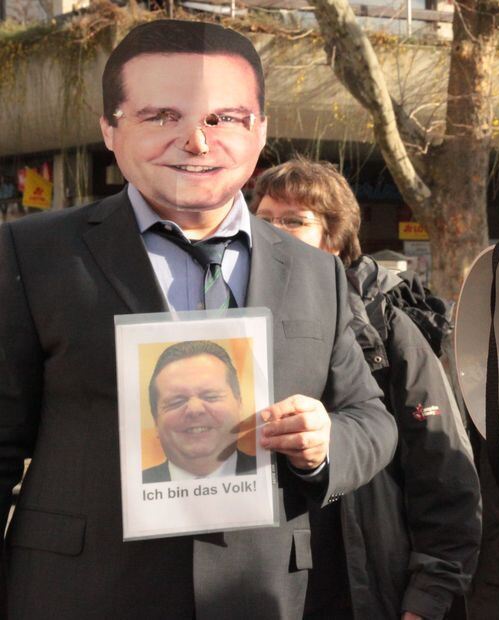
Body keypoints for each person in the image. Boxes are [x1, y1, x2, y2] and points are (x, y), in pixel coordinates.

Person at [0, 20, 396, 618]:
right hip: (80, 594)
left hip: (264, 596)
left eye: (225, 119)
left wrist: (324, 443)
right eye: (162, 116)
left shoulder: (315, 271)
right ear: (110, 128)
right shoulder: (32, 253)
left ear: (259, 131)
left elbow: (372, 419)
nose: (198, 142)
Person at [250, 158, 481, 620]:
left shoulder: (387, 330)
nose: (274, 232)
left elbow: (446, 480)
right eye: (264, 221)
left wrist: (426, 600)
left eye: (294, 221)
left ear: (334, 242)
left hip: (363, 594)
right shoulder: (232, 326)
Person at [143, 340, 256, 483]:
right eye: (176, 402)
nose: (195, 409)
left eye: (211, 396)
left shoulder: (276, 470)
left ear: (239, 404)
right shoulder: (128, 488)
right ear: (155, 422)